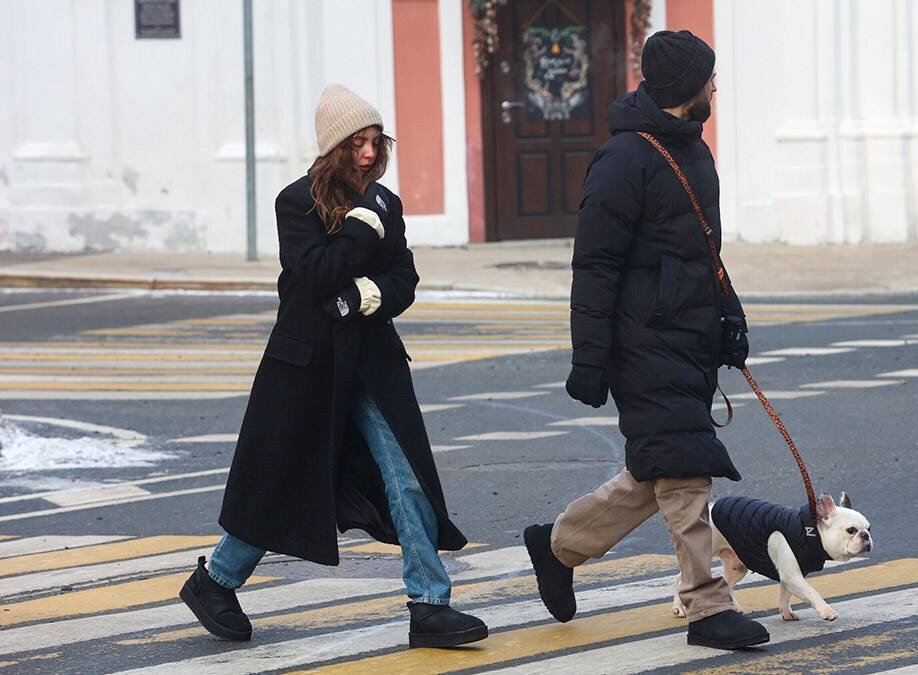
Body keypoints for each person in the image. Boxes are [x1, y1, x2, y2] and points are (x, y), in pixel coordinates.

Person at [179, 84, 487, 649]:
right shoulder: (295, 202)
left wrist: (360, 297)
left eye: (375, 142)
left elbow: (404, 279)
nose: (368, 155)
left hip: (372, 367)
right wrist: (360, 228)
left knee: (406, 478)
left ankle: (430, 604)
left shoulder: (383, 201)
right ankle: (215, 580)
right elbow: (316, 273)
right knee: (283, 481)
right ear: (332, 148)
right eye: (356, 144)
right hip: (307, 370)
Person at [523, 30, 763, 650]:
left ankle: (558, 547)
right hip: (643, 344)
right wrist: (589, 359)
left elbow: (704, 252)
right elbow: (594, 266)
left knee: (653, 471)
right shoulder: (625, 159)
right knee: (685, 469)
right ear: (687, 86)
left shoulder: (694, 153)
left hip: (689, 340)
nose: (716, 85)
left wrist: (728, 316)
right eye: (709, 77)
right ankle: (708, 608)